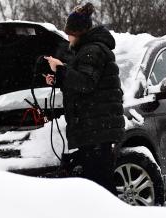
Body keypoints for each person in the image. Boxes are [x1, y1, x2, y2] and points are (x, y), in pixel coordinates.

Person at [44, 2, 124, 195]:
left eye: (69, 32)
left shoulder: (92, 50)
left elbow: (86, 83)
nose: (67, 37)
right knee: (98, 183)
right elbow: (84, 85)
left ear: (77, 32)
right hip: (95, 129)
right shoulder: (88, 50)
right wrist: (58, 78)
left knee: (100, 185)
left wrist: (61, 69)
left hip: (96, 129)